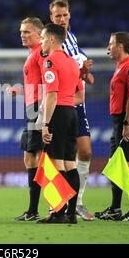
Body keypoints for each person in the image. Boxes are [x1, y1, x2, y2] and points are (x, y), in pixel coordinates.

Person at [49, 0, 95, 221]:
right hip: (61, 103)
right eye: (58, 16)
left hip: (77, 102)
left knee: (84, 152)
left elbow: (77, 62)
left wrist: (85, 71)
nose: (62, 19)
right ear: (51, 18)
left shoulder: (72, 39)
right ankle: (56, 206)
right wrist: (81, 70)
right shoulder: (50, 44)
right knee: (58, 158)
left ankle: (76, 203)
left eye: (65, 15)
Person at [95, 31, 129, 221]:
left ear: (120, 46)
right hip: (118, 123)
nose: (108, 47)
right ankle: (115, 208)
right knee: (114, 166)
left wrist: (127, 123)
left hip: (125, 122)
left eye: (110, 44)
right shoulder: (120, 66)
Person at [36, 23, 80, 224]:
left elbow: (52, 95)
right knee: (71, 164)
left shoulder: (50, 61)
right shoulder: (72, 62)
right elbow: (80, 92)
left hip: (58, 113)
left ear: (52, 39)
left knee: (56, 164)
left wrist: (45, 123)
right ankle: (71, 213)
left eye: (43, 38)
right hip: (71, 113)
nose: (41, 42)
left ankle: (58, 212)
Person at [6, 17, 45, 221]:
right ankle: (32, 210)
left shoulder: (41, 54)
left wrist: (44, 112)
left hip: (39, 109)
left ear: (39, 34)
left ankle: (55, 207)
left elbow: (48, 85)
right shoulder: (32, 54)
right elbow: (36, 85)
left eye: (27, 32)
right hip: (31, 109)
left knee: (40, 158)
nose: (22, 34)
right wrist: (20, 90)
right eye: (21, 31)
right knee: (29, 157)